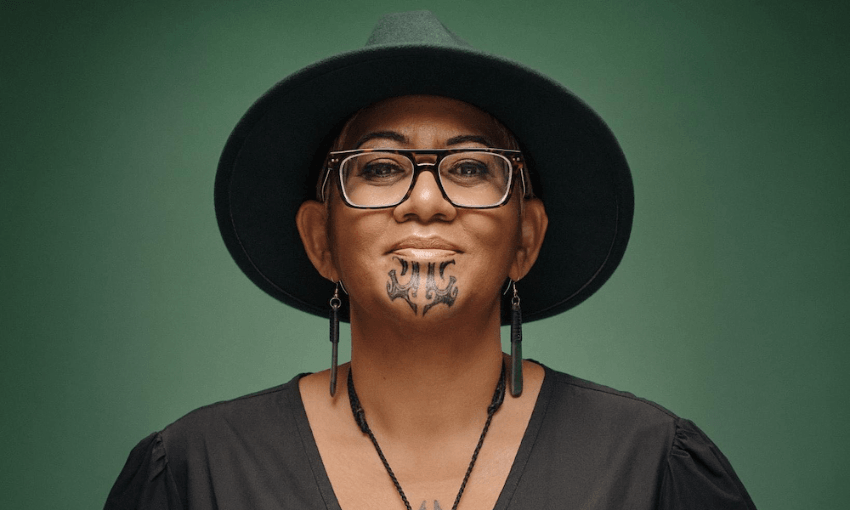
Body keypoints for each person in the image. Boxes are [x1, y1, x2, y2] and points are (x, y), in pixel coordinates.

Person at [104, 11, 757, 510]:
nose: (424, 200)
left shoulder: (650, 467)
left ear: (526, 237)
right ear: (320, 239)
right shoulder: (196, 473)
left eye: (470, 168)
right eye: (381, 167)